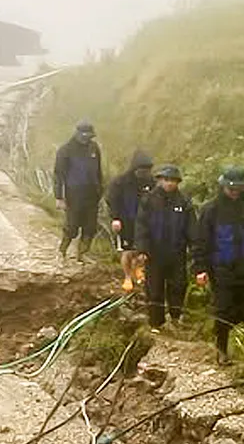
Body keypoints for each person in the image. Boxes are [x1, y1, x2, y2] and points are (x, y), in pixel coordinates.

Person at [193, 166, 244, 366]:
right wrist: (200, 268)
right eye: (231, 189)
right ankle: (221, 348)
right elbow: (201, 241)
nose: (235, 192)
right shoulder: (211, 210)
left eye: (238, 189)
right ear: (223, 186)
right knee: (224, 308)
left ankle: (239, 343)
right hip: (221, 267)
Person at [135, 165, 196, 331]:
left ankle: (176, 317)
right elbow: (141, 226)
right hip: (154, 253)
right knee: (154, 289)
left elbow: (191, 229)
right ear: (160, 180)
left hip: (177, 253)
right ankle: (156, 322)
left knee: (178, 286)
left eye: (173, 181)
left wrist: (195, 249)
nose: (170, 184)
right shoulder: (149, 200)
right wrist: (142, 249)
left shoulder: (184, 202)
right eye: (167, 180)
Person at [106, 150, 155, 291]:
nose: (144, 173)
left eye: (147, 170)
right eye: (142, 170)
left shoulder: (151, 182)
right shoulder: (120, 182)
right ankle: (127, 276)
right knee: (127, 251)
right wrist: (115, 218)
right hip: (125, 221)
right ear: (135, 168)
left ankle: (138, 269)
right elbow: (111, 200)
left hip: (144, 222)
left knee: (142, 250)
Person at [54, 120, 103, 261]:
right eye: (84, 134)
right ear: (77, 133)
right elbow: (58, 175)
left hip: (92, 195)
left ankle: (82, 254)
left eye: (89, 135)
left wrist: (100, 189)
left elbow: (98, 171)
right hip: (73, 195)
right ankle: (62, 251)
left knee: (90, 227)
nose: (86, 137)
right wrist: (59, 197)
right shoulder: (65, 150)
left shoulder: (94, 148)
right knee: (72, 226)